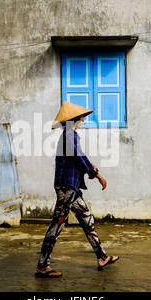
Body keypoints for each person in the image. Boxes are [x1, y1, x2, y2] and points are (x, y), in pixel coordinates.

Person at [34, 102, 119, 278]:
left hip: (71, 188)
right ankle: (42, 265)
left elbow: (78, 159)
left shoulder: (71, 135)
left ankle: (102, 257)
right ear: (73, 120)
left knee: (87, 220)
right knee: (57, 226)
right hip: (67, 189)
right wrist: (97, 174)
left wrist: (91, 168)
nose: (82, 120)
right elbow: (80, 158)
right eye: (80, 117)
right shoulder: (68, 136)